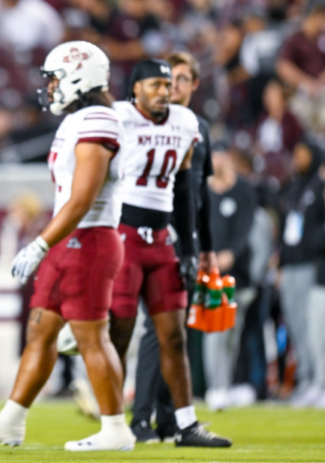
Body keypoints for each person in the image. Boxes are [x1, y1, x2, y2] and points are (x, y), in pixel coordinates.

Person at [0, 41, 135, 453]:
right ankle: (12, 418)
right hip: (71, 241)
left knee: (92, 337)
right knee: (41, 328)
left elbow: (82, 198)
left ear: (80, 77)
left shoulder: (98, 119)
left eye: (57, 77)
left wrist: (40, 244)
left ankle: (115, 428)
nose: (52, 87)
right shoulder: (78, 120)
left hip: (89, 238)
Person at [107, 59, 230, 447]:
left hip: (161, 240)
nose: (165, 91)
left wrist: (192, 247)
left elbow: (185, 188)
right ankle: (113, 424)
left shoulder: (186, 122)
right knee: (121, 333)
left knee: (174, 336)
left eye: (168, 84)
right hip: (125, 235)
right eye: (156, 84)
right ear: (136, 89)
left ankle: (186, 424)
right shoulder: (118, 116)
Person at [202, 142, 259, 410]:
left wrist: (232, 254)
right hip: (210, 274)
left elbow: (246, 229)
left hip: (238, 275)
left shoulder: (244, 191)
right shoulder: (204, 191)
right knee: (214, 331)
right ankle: (216, 387)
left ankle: (226, 384)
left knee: (232, 335)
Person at [278, 139, 325, 405]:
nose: (297, 158)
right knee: (295, 325)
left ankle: (318, 380)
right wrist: (281, 262)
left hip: (310, 264)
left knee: (311, 326)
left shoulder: (319, 188)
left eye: (302, 153)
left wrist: (313, 246)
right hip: (291, 265)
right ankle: (306, 379)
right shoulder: (294, 187)